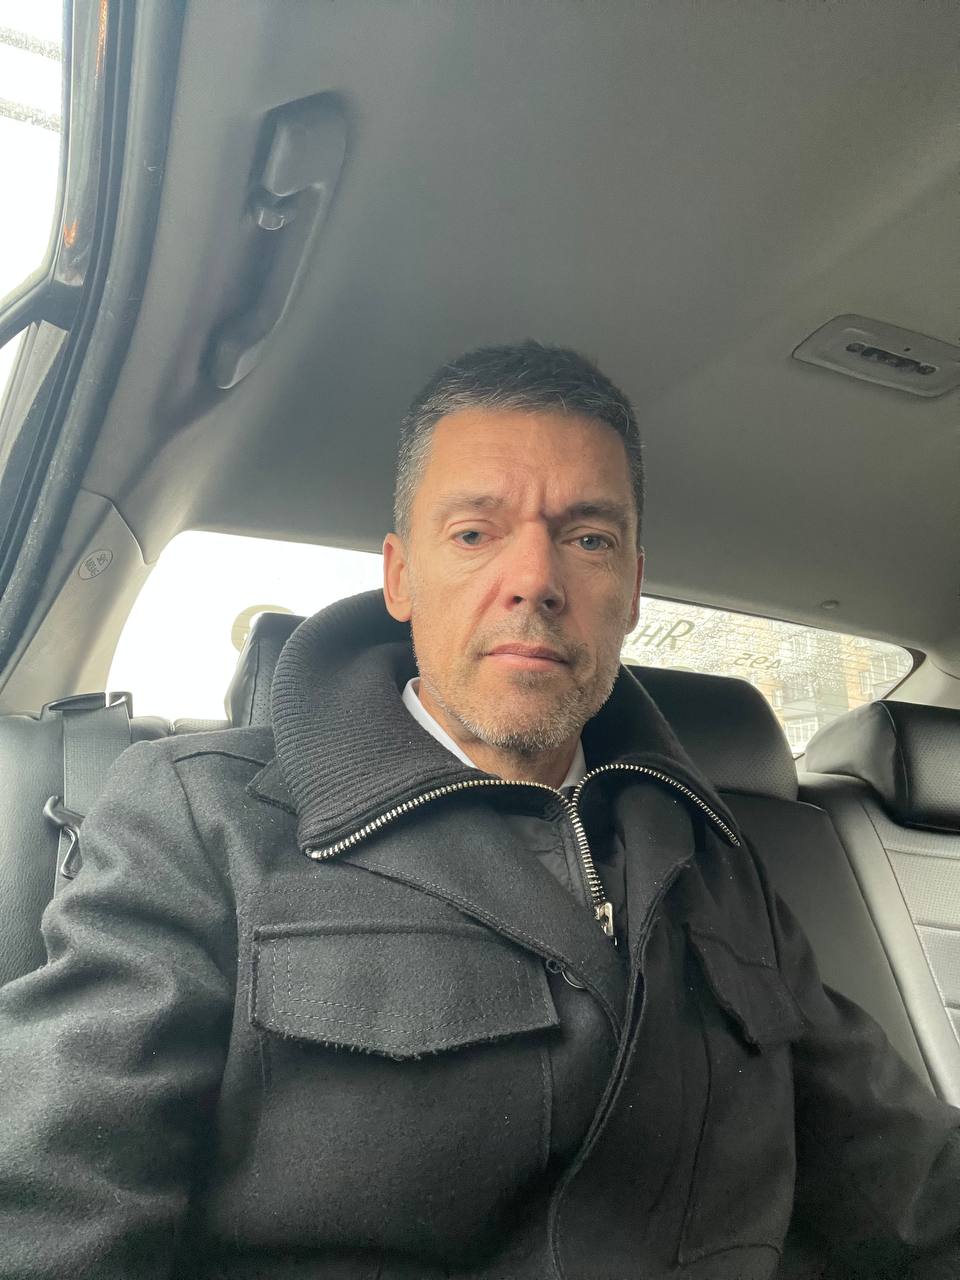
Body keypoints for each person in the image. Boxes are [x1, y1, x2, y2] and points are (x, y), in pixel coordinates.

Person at [1, 341, 959, 1280]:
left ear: (631, 590)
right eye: (474, 533)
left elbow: (909, 1186)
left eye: (589, 539)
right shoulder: (198, 818)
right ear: (399, 577)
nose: (535, 579)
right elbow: (57, 1199)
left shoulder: (719, 858)